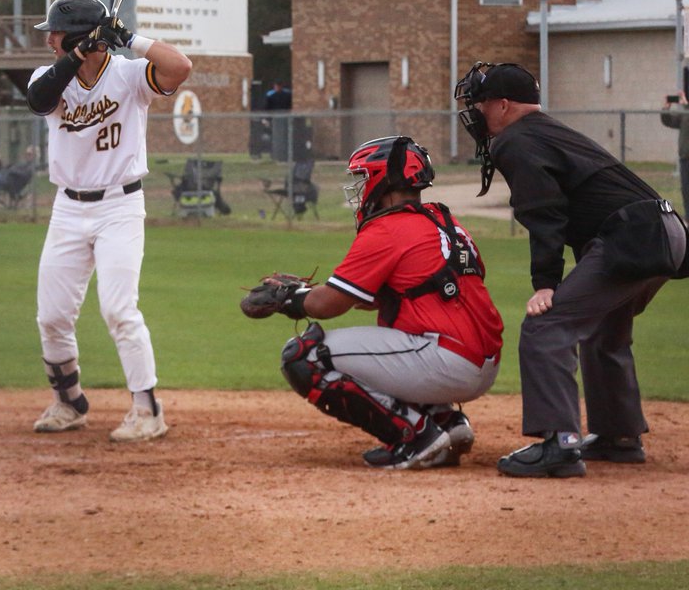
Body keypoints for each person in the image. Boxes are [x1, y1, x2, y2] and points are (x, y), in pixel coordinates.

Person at [454, 62, 687, 478]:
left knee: (546, 328)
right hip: (663, 230)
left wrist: (546, 284)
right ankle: (619, 436)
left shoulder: (517, 139)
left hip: (634, 236)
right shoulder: (546, 131)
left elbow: (544, 212)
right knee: (603, 332)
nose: (476, 112)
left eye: (481, 103)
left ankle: (559, 444)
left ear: (504, 105)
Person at [271, 136, 503, 469]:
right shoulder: (446, 223)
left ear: (384, 179)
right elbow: (399, 293)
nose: (361, 188)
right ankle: (446, 423)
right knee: (385, 346)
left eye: (364, 178)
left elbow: (328, 305)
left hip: (446, 358)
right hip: (483, 361)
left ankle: (416, 436)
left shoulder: (388, 228)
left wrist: (289, 299)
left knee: (305, 356)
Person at [25, 0, 192, 442]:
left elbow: (180, 68)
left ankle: (147, 410)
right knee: (52, 316)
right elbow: (39, 100)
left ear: (78, 36)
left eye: (56, 34)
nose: (49, 41)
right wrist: (75, 53)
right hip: (67, 207)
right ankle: (68, 403)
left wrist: (131, 39)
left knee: (119, 309)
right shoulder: (50, 76)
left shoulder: (129, 75)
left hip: (119, 206)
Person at [659, 90, 689, 215]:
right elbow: (669, 121)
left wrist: (686, 105)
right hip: (685, 159)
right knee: (686, 190)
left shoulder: (686, 111)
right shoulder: (684, 114)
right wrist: (666, 108)